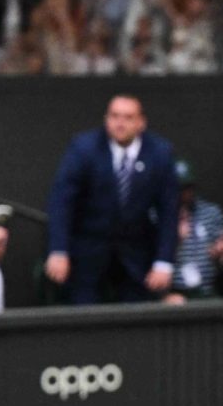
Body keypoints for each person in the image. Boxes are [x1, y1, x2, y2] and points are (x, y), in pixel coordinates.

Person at [46, 92, 179, 304]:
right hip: (89, 252)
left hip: (137, 254)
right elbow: (62, 201)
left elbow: (169, 211)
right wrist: (58, 250)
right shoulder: (83, 148)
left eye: (128, 117)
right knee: (85, 319)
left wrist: (163, 261)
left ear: (141, 122)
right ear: (106, 119)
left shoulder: (160, 153)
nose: (120, 123)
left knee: (136, 320)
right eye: (114, 116)